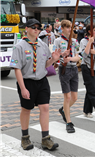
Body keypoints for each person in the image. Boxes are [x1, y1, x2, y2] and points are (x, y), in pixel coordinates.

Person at [10, 18, 60, 151]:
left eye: (38, 28)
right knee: (26, 109)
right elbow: (17, 69)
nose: (36, 30)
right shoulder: (19, 46)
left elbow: (45, 65)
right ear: (26, 29)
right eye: (33, 27)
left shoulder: (42, 45)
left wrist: (53, 60)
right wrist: (23, 88)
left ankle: (45, 139)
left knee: (45, 108)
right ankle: (25, 137)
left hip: (42, 81)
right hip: (27, 82)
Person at [54, 20, 80, 133]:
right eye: (68, 27)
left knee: (74, 97)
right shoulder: (58, 41)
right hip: (64, 69)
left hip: (74, 69)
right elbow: (55, 56)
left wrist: (71, 58)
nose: (70, 29)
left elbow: (79, 56)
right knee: (67, 97)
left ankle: (64, 110)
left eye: (71, 27)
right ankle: (68, 122)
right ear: (62, 28)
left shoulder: (74, 41)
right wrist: (62, 55)